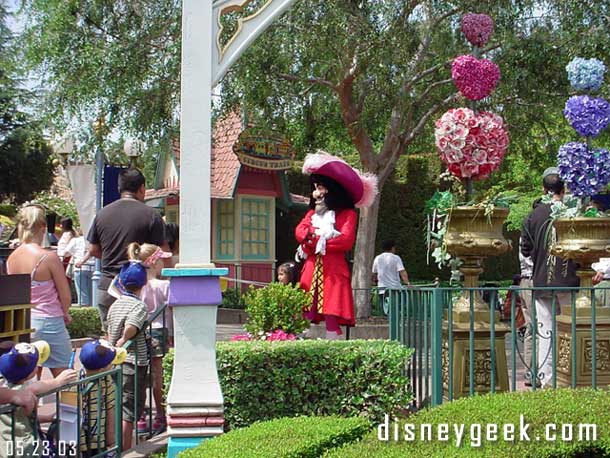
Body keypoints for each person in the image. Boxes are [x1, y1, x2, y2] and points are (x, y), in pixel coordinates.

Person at [295, 152, 378, 339]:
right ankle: (300, 340)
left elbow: (345, 240)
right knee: (306, 306)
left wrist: (316, 241)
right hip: (311, 267)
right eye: (315, 188)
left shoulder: (347, 214)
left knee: (332, 307)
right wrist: (314, 240)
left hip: (333, 269)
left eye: (321, 188)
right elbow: (300, 231)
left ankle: (333, 343)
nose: (316, 193)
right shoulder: (312, 214)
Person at [87, 168, 167, 330]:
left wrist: (112, 255)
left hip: (108, 286)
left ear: (119, 188)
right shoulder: (151, 215)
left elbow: (93, 249)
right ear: (142, 188)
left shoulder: (102, 214)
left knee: (111, 344)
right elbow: (161, 252)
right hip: (141, 289)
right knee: (142, 345)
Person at [521, 168, 579, 388]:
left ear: (544, 189)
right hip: (569, 280)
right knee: (571, 329)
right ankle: (570, 376)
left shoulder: (533, 215)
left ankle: (546, 380)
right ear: (563, 189)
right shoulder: (572, 212)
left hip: (542, 281)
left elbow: (525, 250)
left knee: (545, 332)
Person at [7, 205, 73, 377]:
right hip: (49, 319)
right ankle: (68, 405)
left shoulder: (12, 258)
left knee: (28, 376)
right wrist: (65, 313)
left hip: (24, 321)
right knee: (64, 374)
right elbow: (65, 295)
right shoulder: (48, 257)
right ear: (42, 227)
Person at [0, 341, 77, 458]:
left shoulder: (3, 390)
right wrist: (58, 381)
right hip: (24, 447)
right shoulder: (23, 391)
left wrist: (47, 418)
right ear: (31, 373)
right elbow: (36, 387)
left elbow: (18, 418)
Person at [126, 242, 172, 434]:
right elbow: (171, 309)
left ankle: (141, 416)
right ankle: (160, 416)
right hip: (159, 331)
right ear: (154, 262)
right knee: (158, 377)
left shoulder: (138, 286)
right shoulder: (163, 285)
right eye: (161, 260)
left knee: (142, 376)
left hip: (141, 331)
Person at [106, 261, 149, 450]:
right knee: (129, 409)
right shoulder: (138, 306)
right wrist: (124, 339)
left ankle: (116, 445)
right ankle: (125, 448)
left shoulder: (115, 305)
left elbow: (108, 331)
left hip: (116, 361)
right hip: (132, 361)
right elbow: (132, 326)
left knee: (118, 404)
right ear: (143, 285)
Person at [78, 339, 126, 457]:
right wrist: (112, 440)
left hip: (83, 440)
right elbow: (111, 410)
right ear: (101, 369)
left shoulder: (75, 379)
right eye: (110, 362)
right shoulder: (106, 380)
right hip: (92, 439)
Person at [66, 231, 95, 306]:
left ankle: (84, 310)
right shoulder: (93, 240)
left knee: (82, 293)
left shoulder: (75, 240)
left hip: (79, 267)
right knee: (92, 294)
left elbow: (66, 253)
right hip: (93, 267)